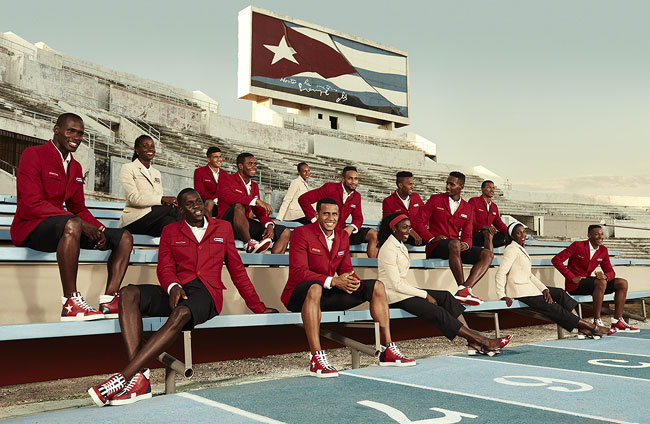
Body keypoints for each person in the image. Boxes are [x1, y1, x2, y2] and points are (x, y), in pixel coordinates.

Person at [88, 188, 278, 406]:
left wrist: (258, 306)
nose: (197, 206)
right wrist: (173, 286)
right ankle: (140, 378)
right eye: (190, 204)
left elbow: (237, 271)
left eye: (198, 201)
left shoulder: (222, 228)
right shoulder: (171, 231)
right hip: (178, 291)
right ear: (180, 209)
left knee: (181, 312)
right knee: (128, 293)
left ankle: (124, 377)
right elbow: (165, 268)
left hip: (207, 294)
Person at [11, 113, 133, 321]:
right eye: (71, 131)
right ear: (56, 130)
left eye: (80, 133)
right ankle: (70, 302)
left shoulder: (75, 166)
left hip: (65, 228)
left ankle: (109, 300)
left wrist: (100, 230)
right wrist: (79, 223)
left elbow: (79, 208)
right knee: (74, 223)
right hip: (31, 228)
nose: (76, 137)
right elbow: (32, 204)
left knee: (124, 237)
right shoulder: (34, 154)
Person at [281, 198, 415, 377]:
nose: (331, 218)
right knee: (315, 288)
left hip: (328, 294)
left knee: (376, 286)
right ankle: (316, 358)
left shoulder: (342, 236)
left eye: (334, 214)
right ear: (317, 215)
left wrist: (353, 281)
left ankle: (387, 349)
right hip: (300, 295)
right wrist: (333, 281)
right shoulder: (301, 232)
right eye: (326, 213)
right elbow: (299, 272)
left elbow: (346, 270)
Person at [378, 213, 512, 356]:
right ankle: (482, 341)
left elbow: (401, 284)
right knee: (438, 311)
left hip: (402, 291)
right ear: (394, 228)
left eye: (409, 228)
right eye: (404, 228)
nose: (408, 231)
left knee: (446, 296)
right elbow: (396, 285)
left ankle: (473, 342)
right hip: (393, 295)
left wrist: (424, 294)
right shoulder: (388, 248)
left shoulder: (399, 244)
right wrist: (426, 295)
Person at [497, 222, 616, 339]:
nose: (523, 235)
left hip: (529, 287)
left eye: (524, 232)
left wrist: (544, 289)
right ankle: (592, 327)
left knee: (560, 293)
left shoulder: (520, 248)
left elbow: (529, 275)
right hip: (521, 291)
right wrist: (502, 295)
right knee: (553, 307)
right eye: (519, 233)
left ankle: (581, 329)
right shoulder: (511, 249)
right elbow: (501, 272)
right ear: (512, 236)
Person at [412, 172, 493, 306]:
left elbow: (467, 235)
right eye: (447, 183)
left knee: (487, 254)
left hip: (455, 248)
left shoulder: (468, 208)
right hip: (436, 246)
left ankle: (465, 289)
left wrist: (466, 245)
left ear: (461, 186)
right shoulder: (435, 199)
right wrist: (431, 238)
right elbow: (417, 221)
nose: (447, 187)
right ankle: (462, 289)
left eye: (452, 184)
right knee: (455, 243)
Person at [551, 225, 639, 332]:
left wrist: (605, 276)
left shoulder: (603, 250)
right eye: (597, 234)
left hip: (593, 284)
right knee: (601, 283)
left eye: (602, 234)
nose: (600, 237)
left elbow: (611, 271)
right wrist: (571, 277)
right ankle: (597, 321)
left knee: (622, 283)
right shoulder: (577, 245)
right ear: (589, 235)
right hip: (576, 285)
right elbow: (556, 260)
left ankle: (617, 321)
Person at [216, 153, 290, 254]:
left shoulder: (254, 185)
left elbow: (258, 211)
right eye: (250, 164)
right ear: (240, 166)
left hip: (244, 225)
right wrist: (256, 201)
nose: (254, 167)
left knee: (284, 232)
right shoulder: (227, 179)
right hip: (228, 224)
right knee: (239, 205)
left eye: (255, 164)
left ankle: (274, 267)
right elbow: (228, 197)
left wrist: (269, 225)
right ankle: (248, 244)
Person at [298, 166, 379, 258]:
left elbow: (358, 218)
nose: (354, 182)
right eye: (350, 178)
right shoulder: (329, 188)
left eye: (356, 179)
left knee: (374, 234)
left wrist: (350, 228)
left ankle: (374, 268)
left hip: (343, 232)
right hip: (326, 231)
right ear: (343, 179)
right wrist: (315, 221)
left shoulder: (357, 196)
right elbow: (303, 199)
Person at [119, 135, 182, 237]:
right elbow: (133, 198)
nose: (150, 149)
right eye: (145, 146)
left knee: (170, 222)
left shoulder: (156, 173)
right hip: (134, 220)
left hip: (153, 219)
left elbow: (159, 199)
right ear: (137, 150)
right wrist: (162, 199)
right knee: (173, 209)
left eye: (152, 146)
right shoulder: (128, 168)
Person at [381, 171, 425, 245]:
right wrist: (409, 230)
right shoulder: (388, 201)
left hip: (419, 231)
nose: (412, 186)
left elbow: (424, 214)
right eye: (409, 184)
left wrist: (426, 224)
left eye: (412, 184)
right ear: (400, 185)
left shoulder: (416, 197)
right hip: (402, 234)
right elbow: (388, 223)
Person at [468, 180, 508, 251]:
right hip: (475, 236)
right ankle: (488, 257)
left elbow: (499, 223)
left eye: (493, 188)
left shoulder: (494, 206)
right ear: (482, 189)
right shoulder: (474, 201)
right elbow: (471, 221)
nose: (492, 190)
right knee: (487, 233)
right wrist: (484, 227)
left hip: (489, 235)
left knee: (509, 236)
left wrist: (511, 233)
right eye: (489, 187)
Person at [193, 146, 228, 218]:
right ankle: (208, 226)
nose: (219, 160)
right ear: (208, 159)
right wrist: (215, 199)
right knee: (210, 202)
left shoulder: (225, 174)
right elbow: (200, 192)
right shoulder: (199, 172)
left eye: (220, 157)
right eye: (216, 157)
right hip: (205, 202)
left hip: (220, 204)